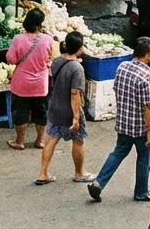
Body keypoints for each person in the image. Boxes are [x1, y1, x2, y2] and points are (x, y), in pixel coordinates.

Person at [87, 37, 150, 203]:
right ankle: (141, 192)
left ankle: (98, 182)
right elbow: (148, 108)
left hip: (123, 122)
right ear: (148, 54)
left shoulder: (123, 67)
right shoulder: (147, 78)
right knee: (144, 158)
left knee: (118, 153)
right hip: (140, 127)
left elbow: (117, 89)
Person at [38, 31, 92, 186]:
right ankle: (79, 173)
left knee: (50, 141)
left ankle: (43, 173)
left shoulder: (56, 62)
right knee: (78, 140)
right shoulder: (77, 68)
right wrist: (76, 117)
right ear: (80, 48)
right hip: (69, 111)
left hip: (54, 107)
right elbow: (75, 94)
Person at [7, 9, 52, 150]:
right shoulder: (48, 39)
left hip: (22, 84)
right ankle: (40, 141)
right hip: (40, 84)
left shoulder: (18, 39)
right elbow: (51, 57)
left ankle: (20, 142)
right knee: (41, 112)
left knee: (20, 112)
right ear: (40, 24)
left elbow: (11, 59)